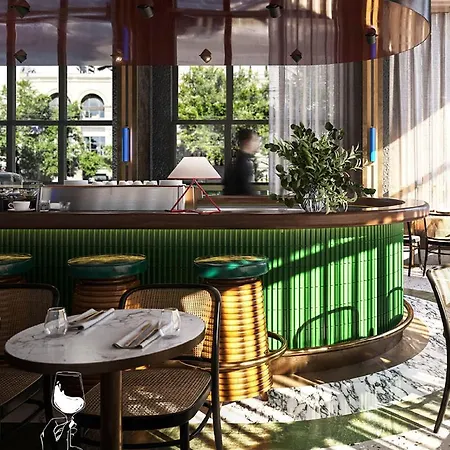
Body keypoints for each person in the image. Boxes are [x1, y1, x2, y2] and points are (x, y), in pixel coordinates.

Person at [222, 129, 260, 195]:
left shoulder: (236, 161)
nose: (258, 144)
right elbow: (245, 189)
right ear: (247, 142)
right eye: (255, 140)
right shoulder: (243, 163)